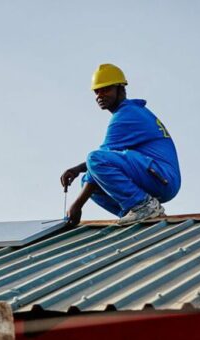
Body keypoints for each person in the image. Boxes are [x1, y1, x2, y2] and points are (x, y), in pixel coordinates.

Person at [61, 63, 181, 226]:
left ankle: (143, 206)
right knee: (88, 181)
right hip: (156, 176)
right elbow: (97, 167)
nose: (100, 95)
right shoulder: (131, 111)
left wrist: (77, 205)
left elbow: (97, 160)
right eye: (97, 91)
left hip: (162, 178)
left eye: (106, 89)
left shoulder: (127, 115)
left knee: (94, 161)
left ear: (121, 88)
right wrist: (76, 170)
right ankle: (133, 212)